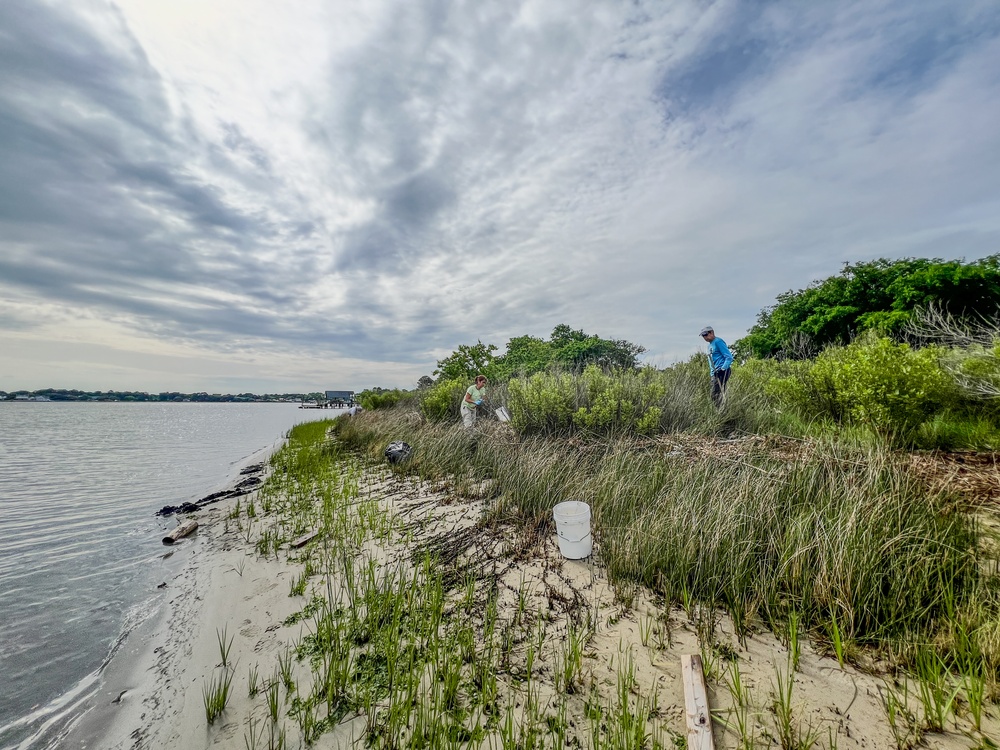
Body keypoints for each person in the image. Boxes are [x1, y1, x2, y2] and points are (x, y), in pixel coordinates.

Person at [700, 326, 733, 406]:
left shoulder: (718, 341)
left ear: (711, 332)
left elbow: (729, 357)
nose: (704, 337)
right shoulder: (709, 346)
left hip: (721, 371)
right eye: (703, 335)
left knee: (715, 394)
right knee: (717, 394)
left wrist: (723, 369)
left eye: (705, 334)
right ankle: (722, 411)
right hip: (714, 373)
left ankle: (721, 412)